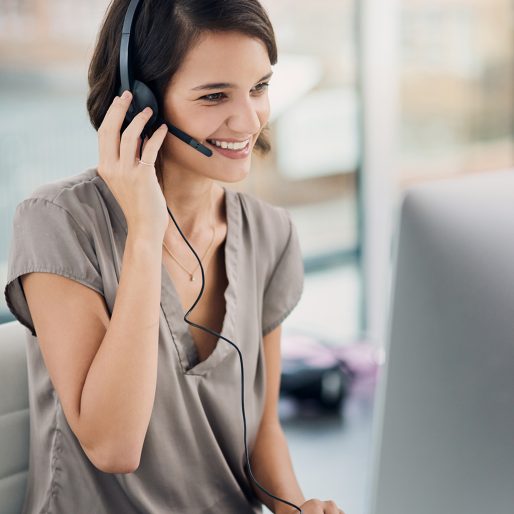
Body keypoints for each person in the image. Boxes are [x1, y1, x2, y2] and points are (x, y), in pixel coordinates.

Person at [4, 1, 346, 513]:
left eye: (259, 87)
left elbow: (262, 431)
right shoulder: (59, 222)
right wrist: (145, 231)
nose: (248, 119)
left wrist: (295, 509)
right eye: (214, 96)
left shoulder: (270, 234)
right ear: (139, 101)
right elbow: (113, 446)